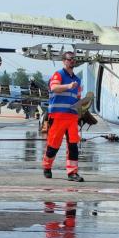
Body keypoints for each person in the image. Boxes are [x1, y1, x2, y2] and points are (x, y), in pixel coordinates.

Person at [42, 51, 84, 182]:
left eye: (74, 59)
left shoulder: (77, 80)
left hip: (72, 117)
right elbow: (54, 88)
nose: (72, 61)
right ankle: (47, 166)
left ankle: (72, 172)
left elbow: (77, 98)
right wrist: (68, 86)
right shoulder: (58, 74)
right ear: (64, 61)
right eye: (70, 59)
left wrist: (82, 109)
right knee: (53, 145)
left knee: (73, 145)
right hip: (58, 115)